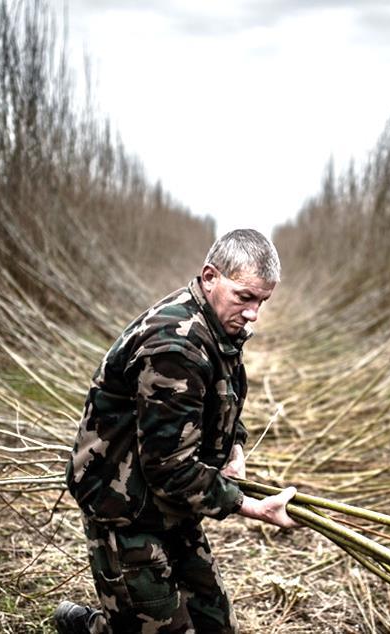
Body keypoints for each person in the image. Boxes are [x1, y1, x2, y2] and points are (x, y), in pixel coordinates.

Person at [56, 229, 300, 634]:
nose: (254, 312)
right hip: (126, 508)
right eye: (245, 297)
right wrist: (249, 506)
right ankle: (94, 625)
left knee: (215, 624)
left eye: (262, 301)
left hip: (172, 504)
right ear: (209, 277)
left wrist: (234, 448)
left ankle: (115, 620)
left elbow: (219, 404)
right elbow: (169, 467)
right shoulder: (175, 345)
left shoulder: (220, 329)